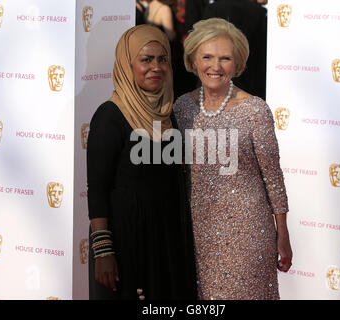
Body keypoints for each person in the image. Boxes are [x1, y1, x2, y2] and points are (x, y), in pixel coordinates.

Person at [173, 18, 292, 300]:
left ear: (237, 64)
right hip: (197, 233)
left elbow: (273, 180)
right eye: (207, 57)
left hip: (249, 235)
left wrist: (283, 235)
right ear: (193, 60)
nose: (215, 66)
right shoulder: (181, 108)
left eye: (225, 58)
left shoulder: (255, 111)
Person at [87, 24, 197, 300]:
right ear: (127, 64)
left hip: (166, 239)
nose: (156, 67)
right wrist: (103, 251)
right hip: (127, 243)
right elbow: (97, 189)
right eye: (145, 60)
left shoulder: (168, 113)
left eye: (162, 59)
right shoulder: (110, 115)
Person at [202, 0, 267, 99]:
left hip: (215, 77)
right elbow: (262, 51)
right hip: (250, 79)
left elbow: (204, 43)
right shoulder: (258, 11)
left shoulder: (214, 8)